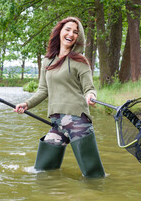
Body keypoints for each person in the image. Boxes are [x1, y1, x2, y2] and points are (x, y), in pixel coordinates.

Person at [14, 17, 105, 178]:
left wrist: (90, 96)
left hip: (78, 122)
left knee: (94, 176)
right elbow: (43, 90)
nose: (71, 34)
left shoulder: (80, 61)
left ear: (79, 37)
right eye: (68, 29)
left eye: (76, 32)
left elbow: (89, 88)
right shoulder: (48, 61)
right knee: (42, 171)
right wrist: (27, 104)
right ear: (60, 32)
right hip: (57, 124)